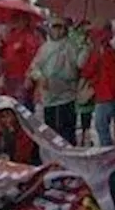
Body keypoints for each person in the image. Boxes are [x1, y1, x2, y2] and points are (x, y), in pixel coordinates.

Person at [29, 17, 83, 145]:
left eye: (60, 27)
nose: (58, 30)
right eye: (55, 27)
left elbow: (79, 65)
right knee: (52, 133)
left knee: (67, 133)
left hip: (67, 96)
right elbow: (34, 68)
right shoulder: (44, 48)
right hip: (49, 98)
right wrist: (40, 77)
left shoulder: (72, 46)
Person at [80, 26, 115, 147]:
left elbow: (87, 70)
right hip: (114, 93)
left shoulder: (100, 52)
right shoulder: (110, 51)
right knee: (103, 124)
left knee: (101, 125)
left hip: (106, 94)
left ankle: (108, 151)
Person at [0, 16, 42, 103]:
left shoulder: (30, 37)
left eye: (21, 19)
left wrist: (30, 76)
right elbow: (5, 56)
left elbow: (35, 58)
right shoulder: (10, 36)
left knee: (22, 105)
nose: (17, 21)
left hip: (23, 78)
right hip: (9, 77)